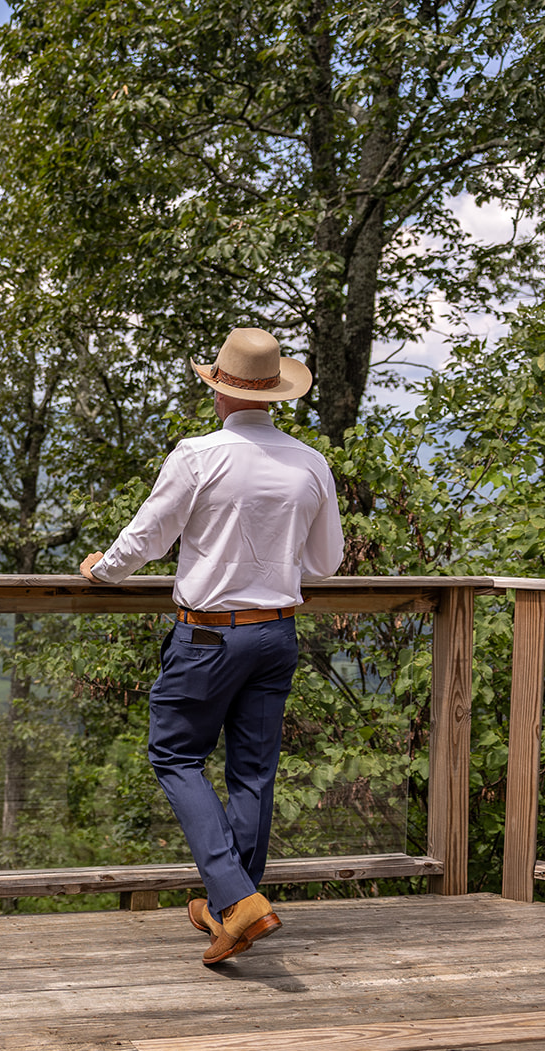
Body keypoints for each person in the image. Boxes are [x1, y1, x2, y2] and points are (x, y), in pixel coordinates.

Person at [81, 327, 344, 965]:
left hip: (207, 635)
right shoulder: (310, 463)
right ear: (275, 397)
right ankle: (234, 909)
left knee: (174, 757)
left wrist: (101, 571)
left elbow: (147, 537)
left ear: (219, 392)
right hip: (277, 631)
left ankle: (233, 895)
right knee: (253, 772)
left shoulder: (198, 456)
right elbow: (327, 563)